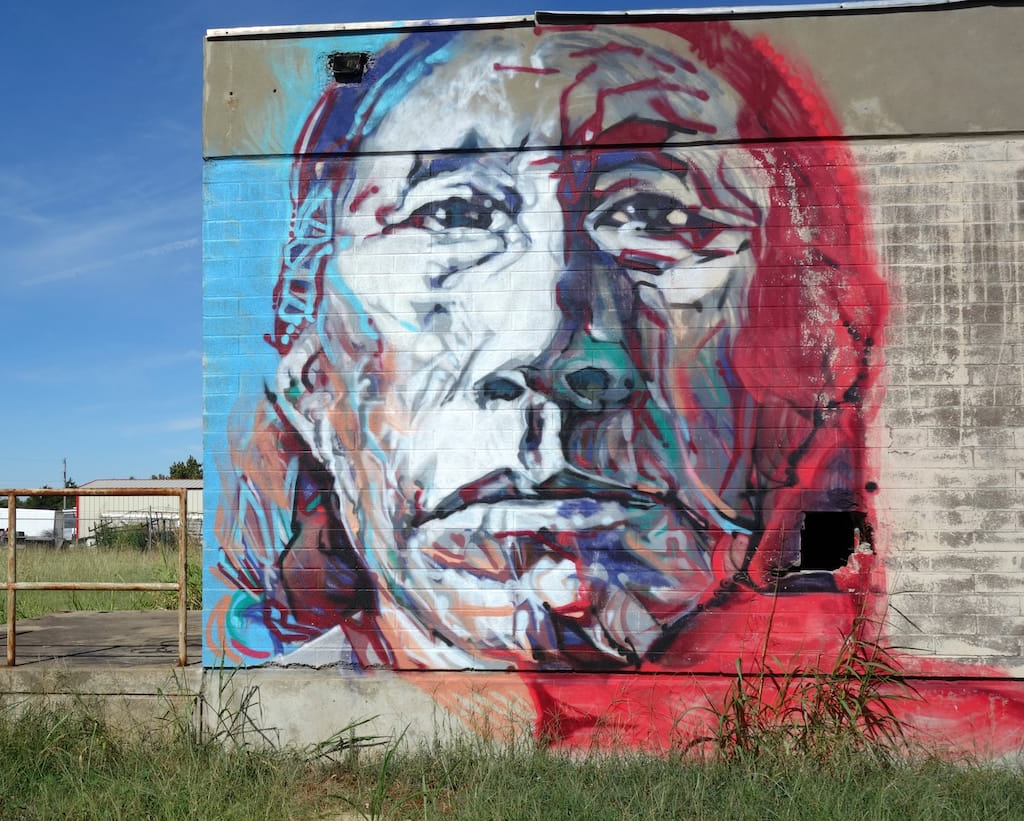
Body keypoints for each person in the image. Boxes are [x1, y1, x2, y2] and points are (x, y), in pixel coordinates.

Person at [208, 21, 1024, 752]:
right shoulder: (270, 712)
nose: (544, 340)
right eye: (451, 216)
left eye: (660, 218)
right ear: (314, 370)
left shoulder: (972, 744)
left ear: (818, 355)